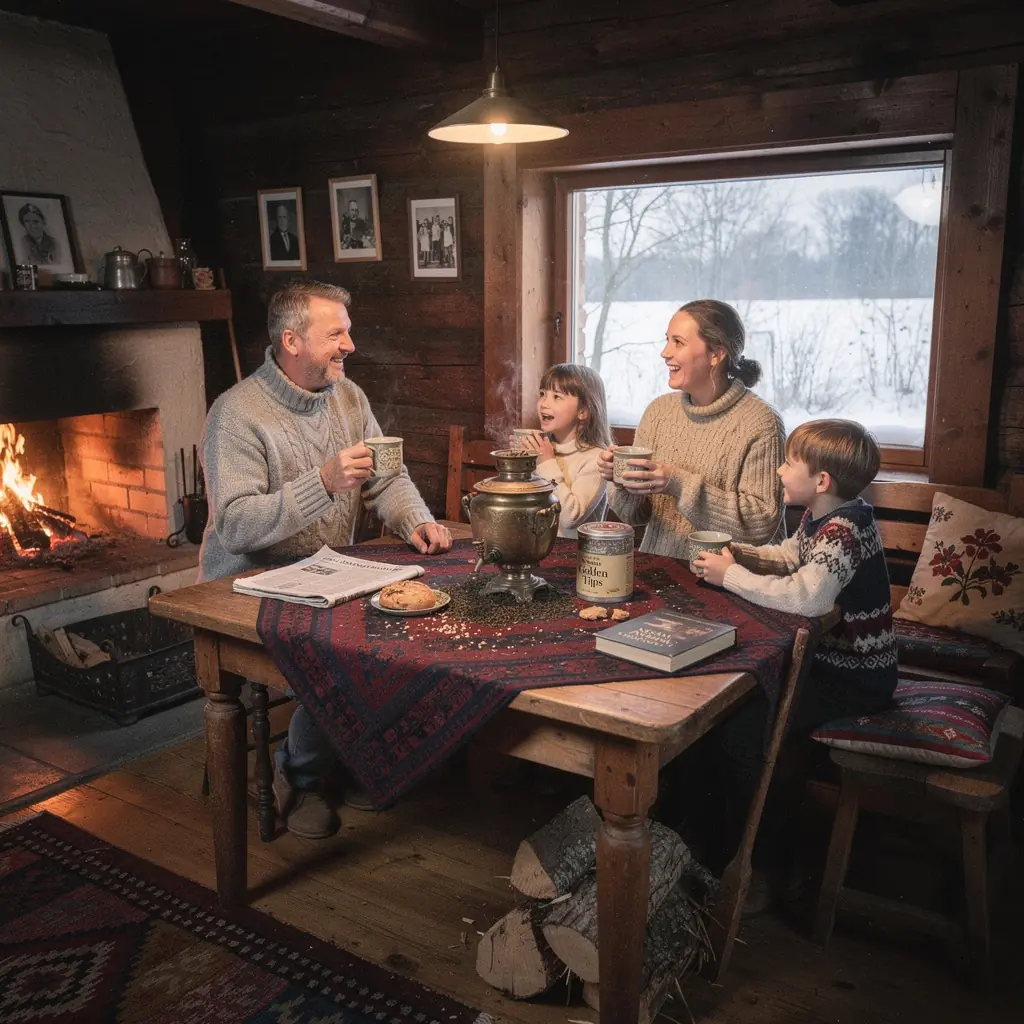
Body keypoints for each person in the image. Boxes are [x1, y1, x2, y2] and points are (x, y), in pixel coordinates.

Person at [199, 280, 452, 840]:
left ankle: (347, 757)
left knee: (401, 626)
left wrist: (416, 521)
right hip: (246, 584)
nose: (350, 344)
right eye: (335, 333)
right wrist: (323, 482)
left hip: (325, 571)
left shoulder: (349, 397)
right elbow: (235, 525)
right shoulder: (236, 414)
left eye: (348, 330)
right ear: (292, 340)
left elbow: (388, 475)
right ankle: (306, 776)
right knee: (341, 646)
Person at [694, 418, 897, 910]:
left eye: (788, 463)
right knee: (731, 709)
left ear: (821, 480)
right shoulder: (822, 517)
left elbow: (807, 596)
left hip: (855, 678)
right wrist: (741, 555)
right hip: (830, 667)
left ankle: (761, 868)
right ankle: (707, 846)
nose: (781, 472)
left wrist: (732, 577)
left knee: (744, 731)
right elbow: (789, 556)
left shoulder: (845, 531)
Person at [598, 299, 785, 556]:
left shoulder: (761, 421)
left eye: (678, 342)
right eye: (667, 340)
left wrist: (678, 482)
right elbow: (635, 515)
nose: (665, 352)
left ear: (716, 355)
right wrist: (621, 479)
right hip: (660, 566)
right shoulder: (658, 412)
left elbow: (760, 525)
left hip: (730, 581)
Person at [510, 363, 612, 538]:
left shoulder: (596, 460)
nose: (544, 404)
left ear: (583, 411)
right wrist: (519, 465)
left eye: (556, 397)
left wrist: (546, 463)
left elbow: (569, 518)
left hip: (576, 557)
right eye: (542, 394)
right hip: (535, 549)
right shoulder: (543, 451)